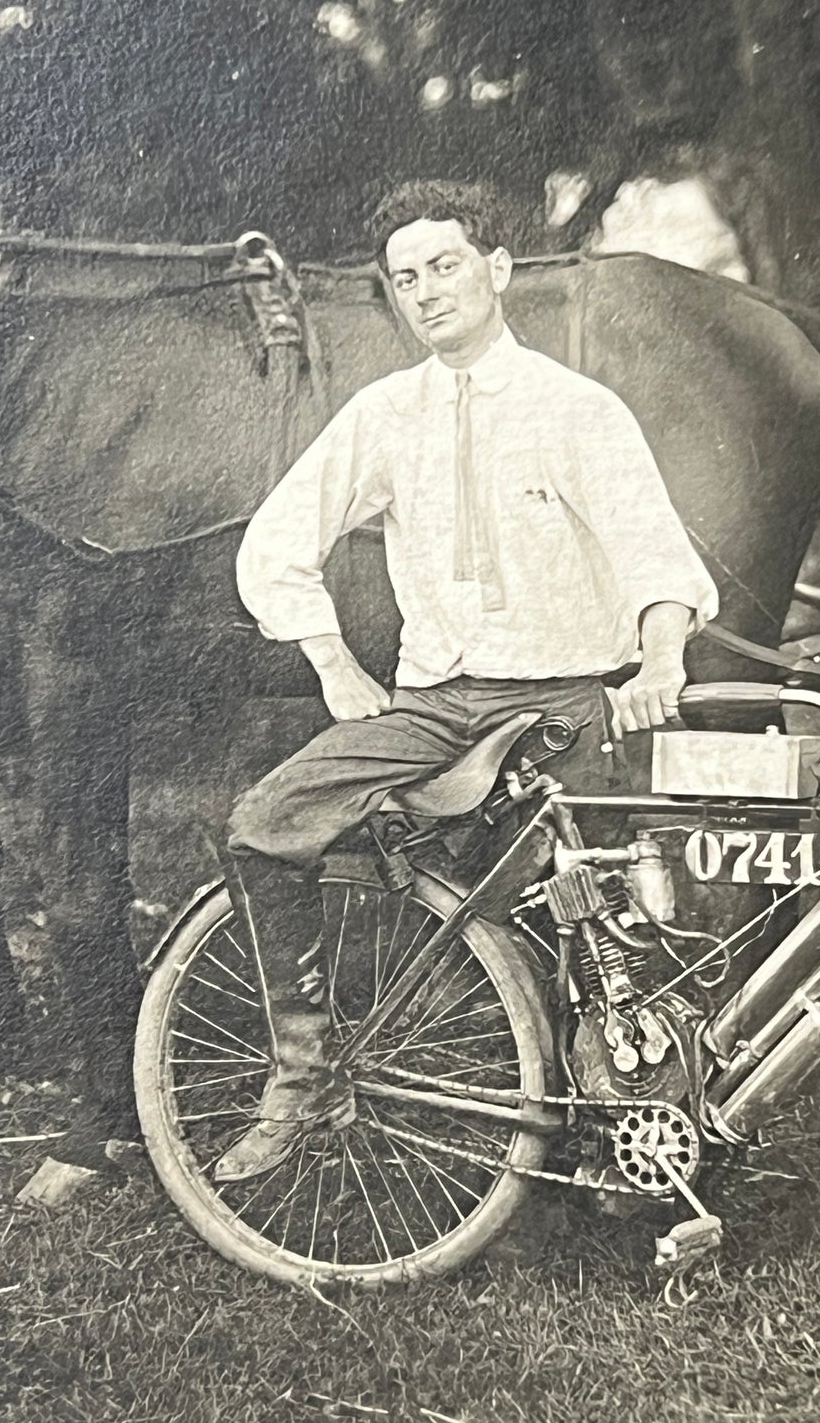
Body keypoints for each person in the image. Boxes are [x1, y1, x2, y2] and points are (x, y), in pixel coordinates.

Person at [217, 180, 719, 1182]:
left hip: (562, 703)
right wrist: (331, 661)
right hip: (436, 707)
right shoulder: (384, 414)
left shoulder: (576, 408)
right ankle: (306, 1078)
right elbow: (275, 541)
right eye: (404, 278)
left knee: (591, 941)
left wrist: (660, 655)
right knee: (263, 822)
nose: (425, 291)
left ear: (496, 270)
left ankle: (622, 1150)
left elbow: (655, 555)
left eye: (444, 266)